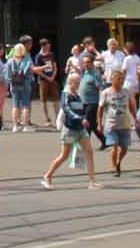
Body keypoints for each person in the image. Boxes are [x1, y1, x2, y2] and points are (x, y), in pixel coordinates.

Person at [43, 57, 102, 189]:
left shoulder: (77, 95)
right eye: (76, 82)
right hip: (70, 129)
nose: (78, 84)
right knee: (64, 155)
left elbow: (81, 109)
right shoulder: (66, 94)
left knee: (89, 152)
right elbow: (67, 109)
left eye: (79, 82)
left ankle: (92, 181)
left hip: (80, 129)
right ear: (71, 82)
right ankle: (48, 176)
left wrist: (84, 118)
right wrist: (80, 118)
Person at [100, 68, 135, 177]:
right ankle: (114, 166)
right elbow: (100, 108)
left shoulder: (126, 91)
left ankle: (118, 162)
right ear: (112, 79)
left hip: (124, 124)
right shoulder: (106, 93)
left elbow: (131, 105)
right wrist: (99, 123)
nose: (121, 81)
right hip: (111, 124)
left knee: (124, 148)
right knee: (114, 145)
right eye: (119, 79)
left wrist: (135, 117)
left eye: (123, 79)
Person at [6, 43, 34, 133]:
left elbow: (7, 75)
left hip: (14, 84)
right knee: (26, 105)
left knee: (15, 105)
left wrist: (10, 82)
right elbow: (31, 70)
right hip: (25, 83)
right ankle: (25, 126)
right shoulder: (27, 59)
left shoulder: (10, 61)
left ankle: (15, 126)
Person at [35, 39, 59, 126]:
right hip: (43, 80)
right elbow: (38, 70)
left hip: (52, 79)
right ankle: (47, 119)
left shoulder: (52, 54)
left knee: (56, 99)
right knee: (43, 100)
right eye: (48, 45)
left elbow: (55, 66)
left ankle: (57, 118)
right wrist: (47, 78)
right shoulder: (39, 56)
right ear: (43, 46)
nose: (49, 47)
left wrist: (53, 76)